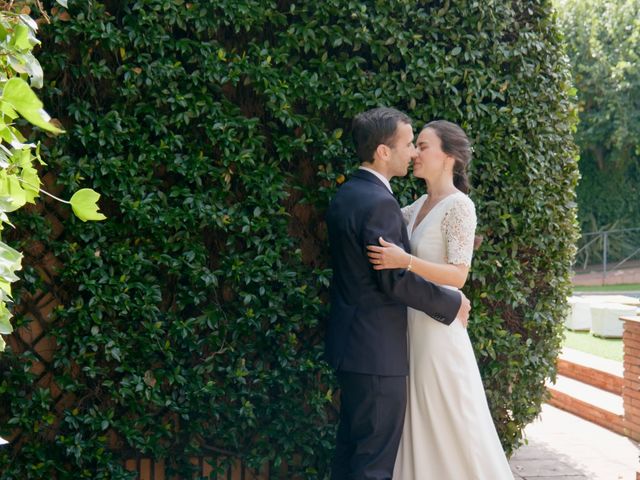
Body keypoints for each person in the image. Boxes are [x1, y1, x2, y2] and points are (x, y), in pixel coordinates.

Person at [325, 108, 471, 480]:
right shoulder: (379, 203)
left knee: (350, 451)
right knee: (373, 462)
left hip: (355, 345)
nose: (413, 153)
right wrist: (452, 302)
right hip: (377, 352)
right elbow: (393, 279)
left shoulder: (347, 194)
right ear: (383, 152)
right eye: (409, 144)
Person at [366, 120, 513, 479]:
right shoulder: (413, 207)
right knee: (417, 422)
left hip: (438, 333)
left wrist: (407, 262)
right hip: (409, 329)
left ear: (449, 157)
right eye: (414, 145)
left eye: (424, 145)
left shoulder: (459, 207)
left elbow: (459, 274)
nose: (415, 153)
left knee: (450, 419)